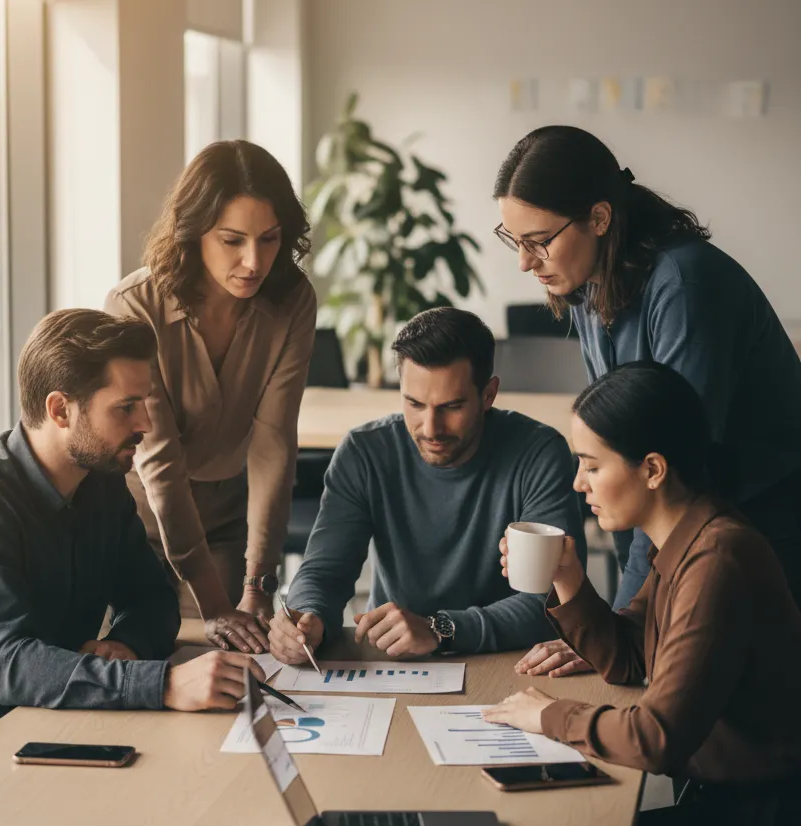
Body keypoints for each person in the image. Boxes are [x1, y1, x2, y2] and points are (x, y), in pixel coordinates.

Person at [484, 362, 801, 826]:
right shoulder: (685, 541)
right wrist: (570, 583)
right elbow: (631, 658)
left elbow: (656, 736)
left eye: (592, 464)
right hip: (726, 808)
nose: (579, 484)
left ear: (652, 469)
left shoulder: (718, 559)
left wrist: (549, 716)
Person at [493, 125, 801, 630]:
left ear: (598, 217)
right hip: (693, 532)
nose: (525, 262)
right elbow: (619, 452)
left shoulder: (685, 285)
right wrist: (618, 626)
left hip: (762, 529)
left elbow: (668, 473)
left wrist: (625, 626)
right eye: (514, 240)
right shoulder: (591, 289)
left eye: (538, 241)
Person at [0, 310, 265, 739]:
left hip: (69, 717)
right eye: (126, 407)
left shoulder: (103, 482)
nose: (145, 423)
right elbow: (6, 664)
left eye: (143, 403)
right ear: (59, 410)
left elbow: (152, 599)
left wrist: (124, 647)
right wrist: (161, 684)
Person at [268, 307, 586, 665]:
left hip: (509, 660)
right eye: (414, 404)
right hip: (394, 659)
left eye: (451, 406)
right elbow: (325, 571)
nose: (430, 428)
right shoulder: (364, 452)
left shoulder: (539, 454)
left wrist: (441, 629)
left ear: (488, 394)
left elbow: (554, 599)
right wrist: (306, 618)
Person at [105, 140, 316, 655]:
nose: (253, 261)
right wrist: (212, 601)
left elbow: (272, 443)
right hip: (136, 515)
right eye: (232, 240)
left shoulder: (292, 301)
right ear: (193, 231)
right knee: (145, 660)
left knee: (232, 661)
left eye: (269, 239)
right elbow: (160, 463)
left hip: (227, 507)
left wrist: (258, 581)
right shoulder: (135, 306)